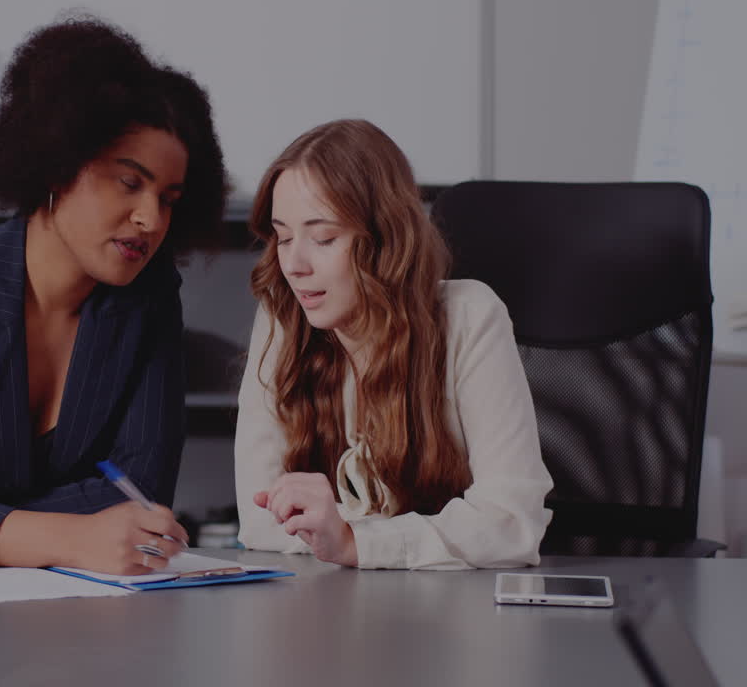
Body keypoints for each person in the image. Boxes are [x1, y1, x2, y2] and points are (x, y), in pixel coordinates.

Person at [0, 17, 229, 574]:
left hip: (56, 611)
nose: (149, 218)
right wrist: (69, 538)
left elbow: (140, 491)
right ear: (59, 163)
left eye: (168, 198)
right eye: (129, 182)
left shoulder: (146, 298)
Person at [234, 119, 552, 569]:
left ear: (385, 240)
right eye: (283, 237)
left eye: (323, 238)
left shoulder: (469, 316)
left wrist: (350, 541)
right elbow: (259, 518)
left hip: (450, 619)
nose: (294, 264)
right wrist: (355, 541)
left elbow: (511, 521)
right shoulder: (281, 319)